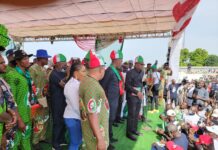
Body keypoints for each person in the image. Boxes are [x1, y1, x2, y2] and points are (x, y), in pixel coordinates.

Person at [79, 50, 109, 150]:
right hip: (95, 136)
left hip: (95, 131)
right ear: (101, 69)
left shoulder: (90, 81)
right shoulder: (91, 85)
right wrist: (100, 140)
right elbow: (92, 114)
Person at [4, 50, 33, 150]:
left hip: (27, 113)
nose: (28, 60)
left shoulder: (26, 74)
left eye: (27, 58)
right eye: (25, 59)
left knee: (26, 140)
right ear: (17, 61)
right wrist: (19, 119)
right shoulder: (12, 76)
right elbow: (11, 100)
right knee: (14, 144)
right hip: (17, 117)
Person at [100, 50, 123, 148]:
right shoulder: (109, 71)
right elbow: (102, 86)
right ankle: (106, 142)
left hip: (114, 100)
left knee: (111, 120)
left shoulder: (115, 71)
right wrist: (106, 100)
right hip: (109, 101)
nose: (121, 62)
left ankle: (110, 136)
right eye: (121, 60)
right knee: (108, 120)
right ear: (116, 60)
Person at [29, 49, 51, 147]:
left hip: (44, 97)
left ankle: (42, 137)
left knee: (45, 118)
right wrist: (35, 99)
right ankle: (35, 141)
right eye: (46, 58)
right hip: (37, 98)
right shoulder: (33, 69)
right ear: (41, 58)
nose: (47, 60)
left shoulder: (43, 69)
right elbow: (31, 84)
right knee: (38, 119)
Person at [64, 62, 86, 150]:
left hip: (74, 117)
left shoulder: (75, 83)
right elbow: (76, 106)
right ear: (76, 73)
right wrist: (85, 117)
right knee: (75, 143)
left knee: (77, 141)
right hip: (73, 117)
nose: (86, 73)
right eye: (83, 71)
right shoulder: (73, 85)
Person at [49, 54, 67, 150]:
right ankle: (55, 144)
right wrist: (68, 75)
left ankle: (61, 139)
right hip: (56, 102)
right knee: (57, 122)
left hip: (63, 101)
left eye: (65, 62)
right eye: (63, 62)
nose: (64, 64)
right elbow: (64, 85)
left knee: (63, 121)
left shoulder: (62, 73)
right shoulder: (53, 74)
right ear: (57, 64)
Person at [125, 56, 144, 141]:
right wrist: (137, 92)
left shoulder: (142, 72)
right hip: (132, 96)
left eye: (142, 64)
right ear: (135, 64)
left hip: (139, 96)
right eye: (140, 64)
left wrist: (145, 84)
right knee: (131, 115)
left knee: (136, 114)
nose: (141, 66)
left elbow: (141, 83)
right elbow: (127, 86)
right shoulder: (130, 73)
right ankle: (128, 133)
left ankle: (134, 130)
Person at [0, 54, 17, 149]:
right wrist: (10, 119)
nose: (5, 65)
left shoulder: (1, 80)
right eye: (1, 63)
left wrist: (12, 113)